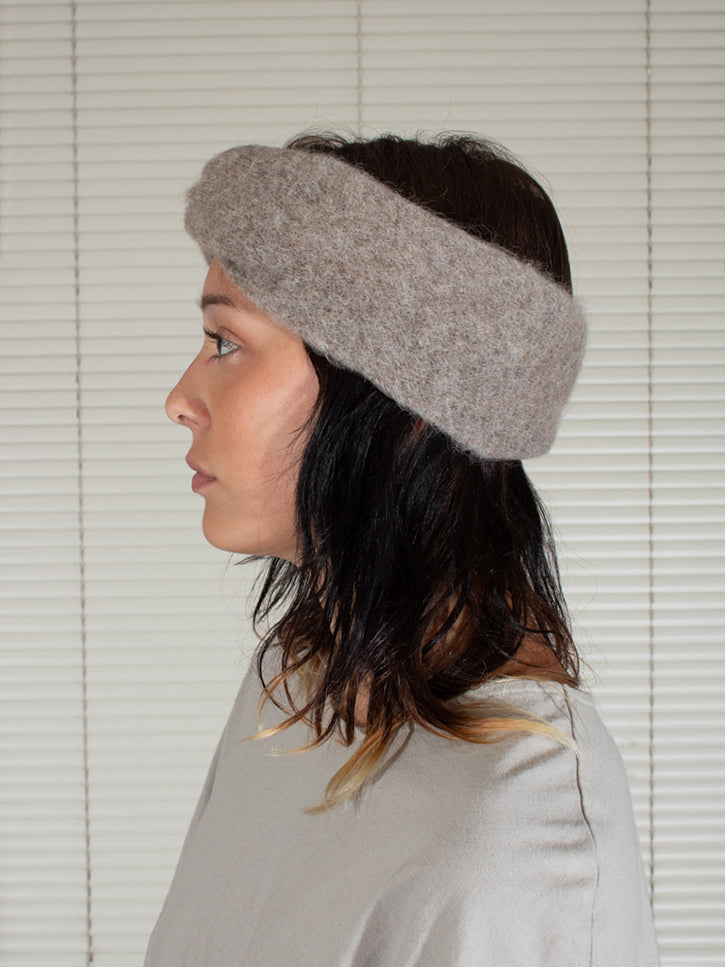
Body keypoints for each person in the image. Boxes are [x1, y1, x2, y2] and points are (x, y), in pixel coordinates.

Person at [144, 133, 660, 966]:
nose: (179, 398)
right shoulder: (296, 680)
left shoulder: (522, 815)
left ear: (397, 399)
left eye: (225, 341)